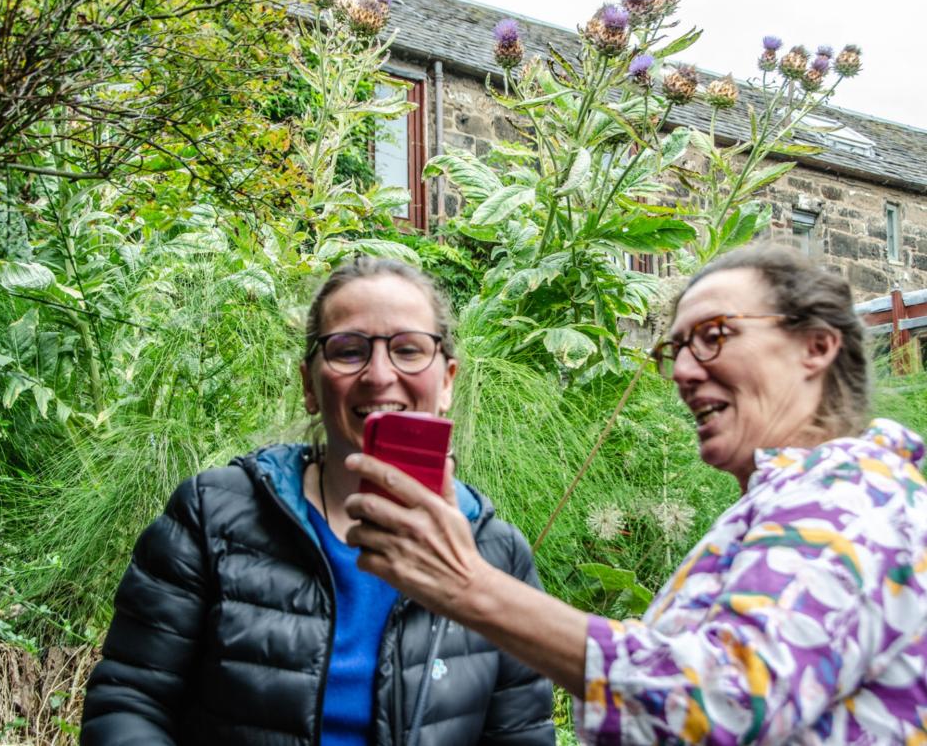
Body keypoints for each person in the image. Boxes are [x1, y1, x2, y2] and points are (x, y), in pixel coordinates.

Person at [344, 245, 927, 744]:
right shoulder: (809, 497)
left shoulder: (847, 499)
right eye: (676, 350)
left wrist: (468, 587)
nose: (682, 372)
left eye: (713, 336)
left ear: (817, 347)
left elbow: (721, 701)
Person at [80, 257, 554, 746]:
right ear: (310, 384)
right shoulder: (211, 517)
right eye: (348, 351)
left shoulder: (498, 556)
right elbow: (129, 701)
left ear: (447, 381)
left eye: (409, 350)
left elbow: (522, 735)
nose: (379, 374)